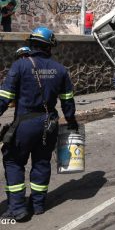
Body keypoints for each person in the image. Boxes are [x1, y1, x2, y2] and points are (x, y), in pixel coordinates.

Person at [0, 27, 78, 221]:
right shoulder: (60, 70)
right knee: (42, 163)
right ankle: (38, 204)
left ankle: (18, 208)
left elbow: (4, 97)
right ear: (50, 47)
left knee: (13, 161)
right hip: (49, 124)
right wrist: (71, 121)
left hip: (25, 124)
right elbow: (67, 100)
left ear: (31, 44)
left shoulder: (20, 66)